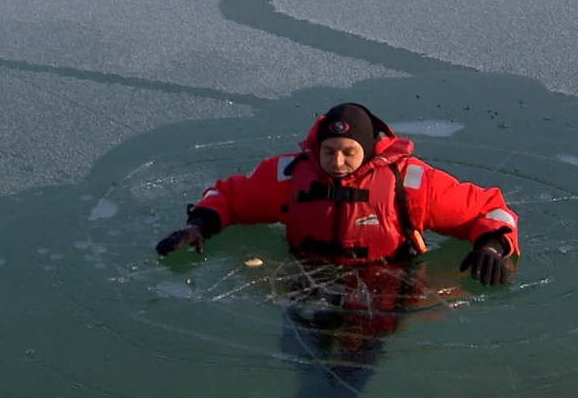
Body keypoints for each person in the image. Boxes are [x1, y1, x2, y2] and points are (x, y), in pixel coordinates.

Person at [155, 102, 520, 283]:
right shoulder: (291, 174)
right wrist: (199, 225)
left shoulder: (408, 182)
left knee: (352, 370)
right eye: (329, 152)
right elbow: (231, 197)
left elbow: (490, 209)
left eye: (349, 153)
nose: (337, 162)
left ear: (368, 149)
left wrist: (492, 247)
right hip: (306, 279)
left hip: (387, 283)